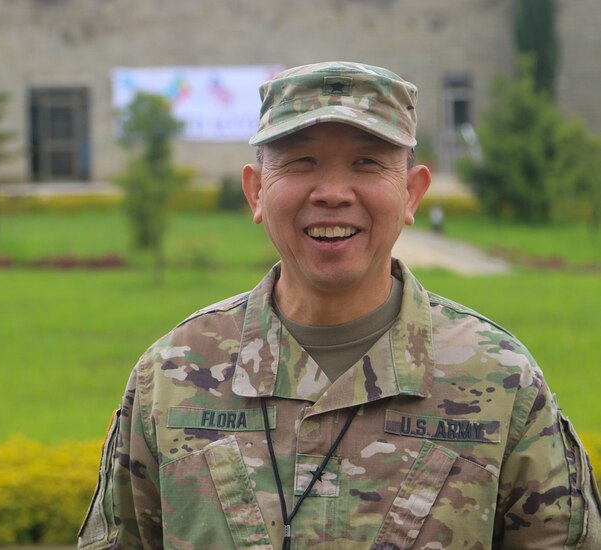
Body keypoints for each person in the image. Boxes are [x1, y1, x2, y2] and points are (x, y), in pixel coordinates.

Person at [77, 61, 601, 549]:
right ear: (256, 191)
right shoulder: (172, 375)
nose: (332, 192)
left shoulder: (500, 380)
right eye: (302, 162)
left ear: (412, 194)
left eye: (366, 163)